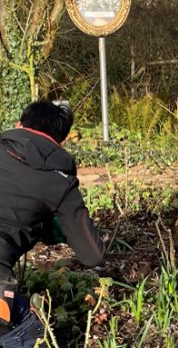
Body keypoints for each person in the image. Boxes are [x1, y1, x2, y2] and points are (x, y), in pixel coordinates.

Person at [0, 101, 106, 345]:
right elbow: (93, 255)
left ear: (19, 125)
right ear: (60, 141)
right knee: (35, 330)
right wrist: (52, 226)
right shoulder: (59, 178)